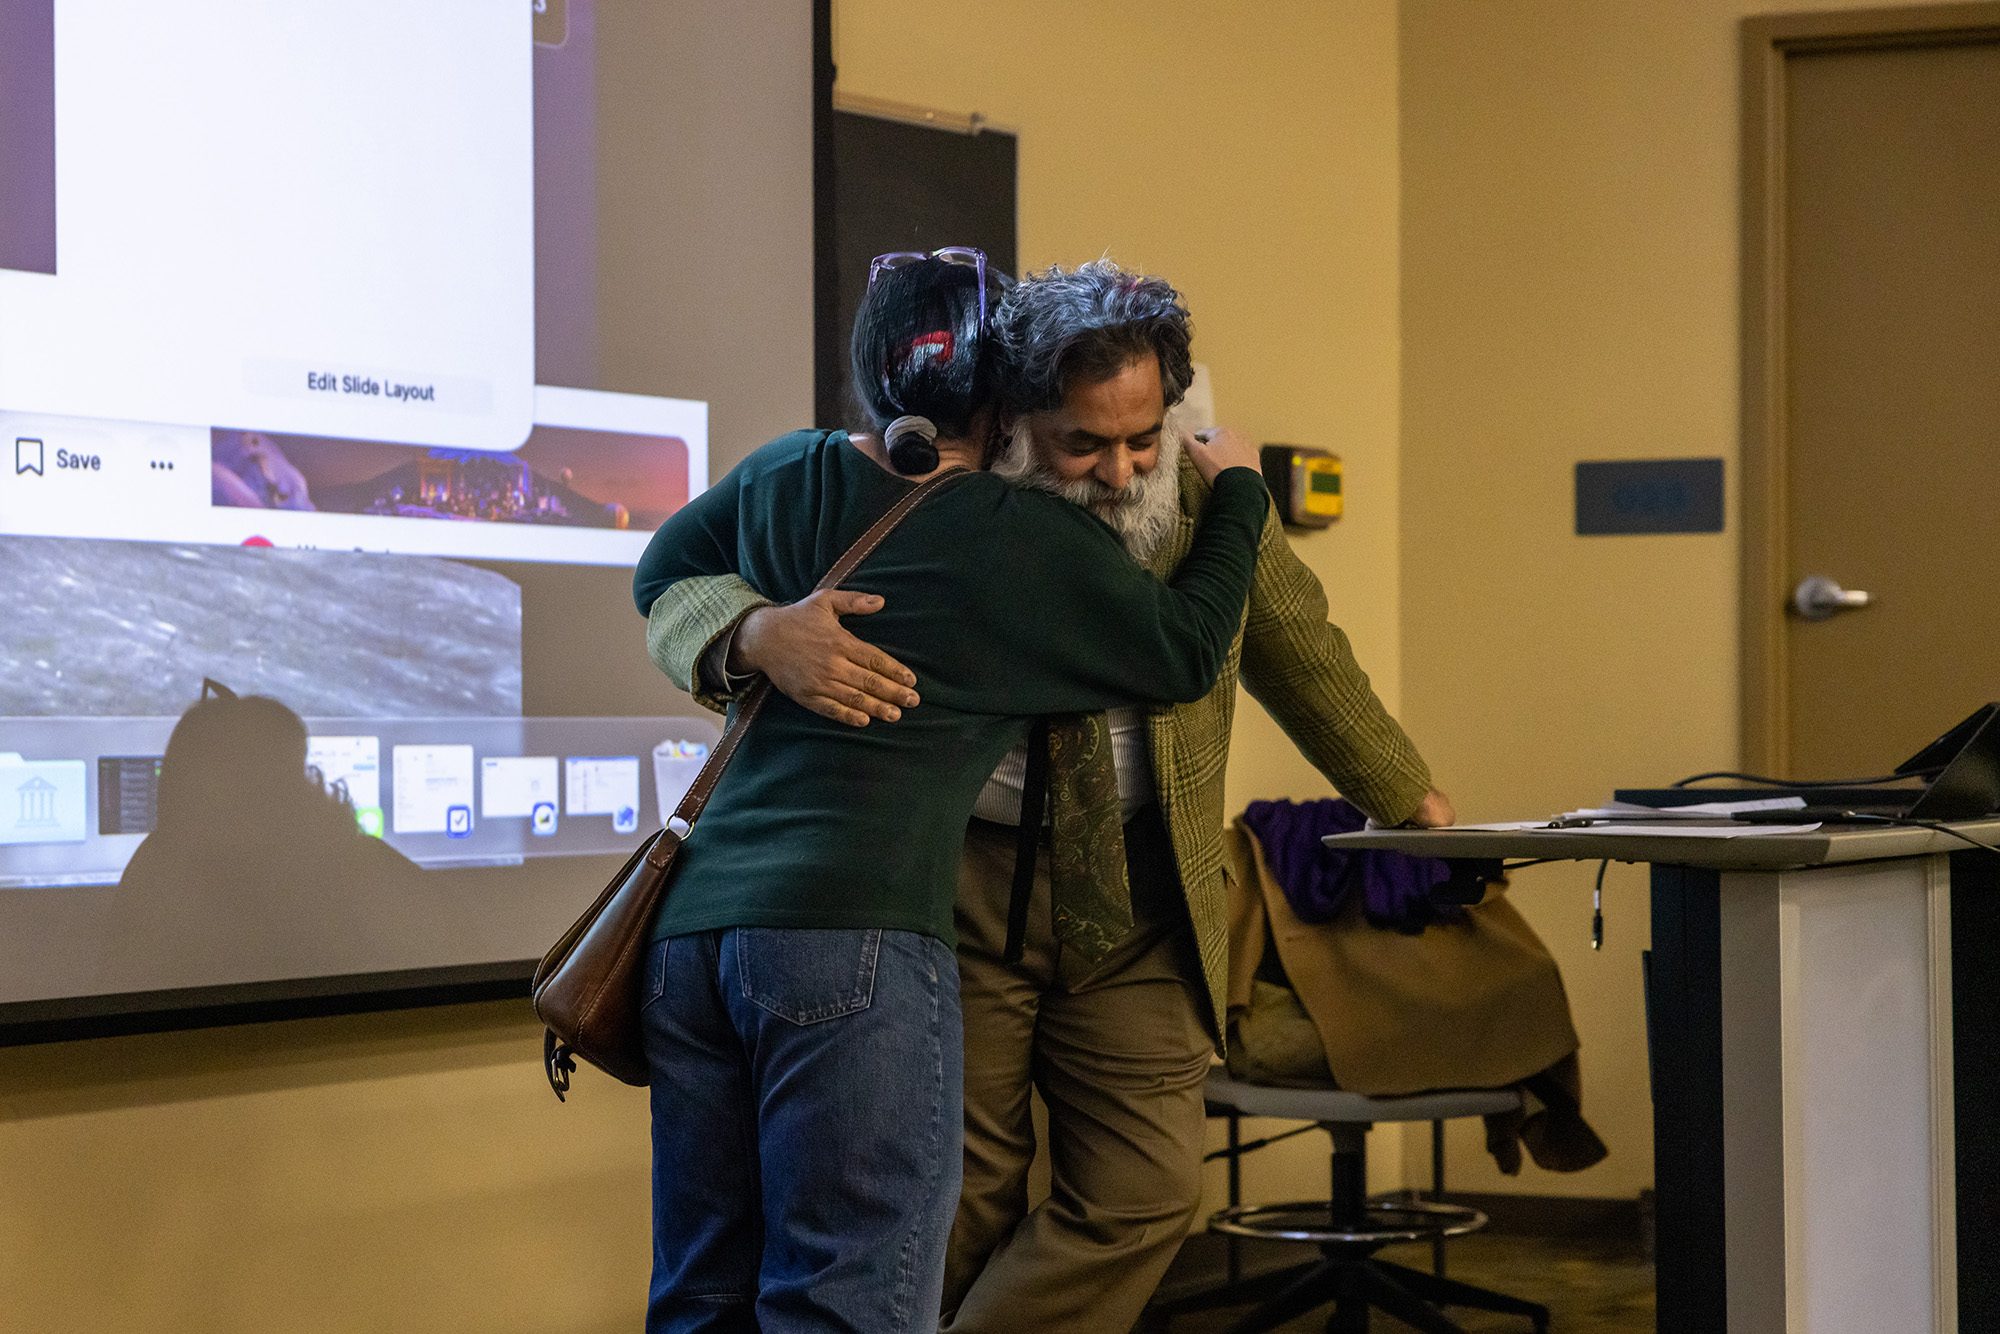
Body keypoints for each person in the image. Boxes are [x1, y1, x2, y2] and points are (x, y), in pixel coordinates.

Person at [646, 258, 1454, 1333]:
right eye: (1085, 442)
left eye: (1144, 438)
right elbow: (676, 571)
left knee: (1146, 1189)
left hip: (1135, 889)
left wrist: (1405, 798)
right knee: (953, 1200)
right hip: (957, 886)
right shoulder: (967, 505)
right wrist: (749, 631)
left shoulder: (1200, 509)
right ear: (1017, 414)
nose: (1119, 472)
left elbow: (1300, 654)